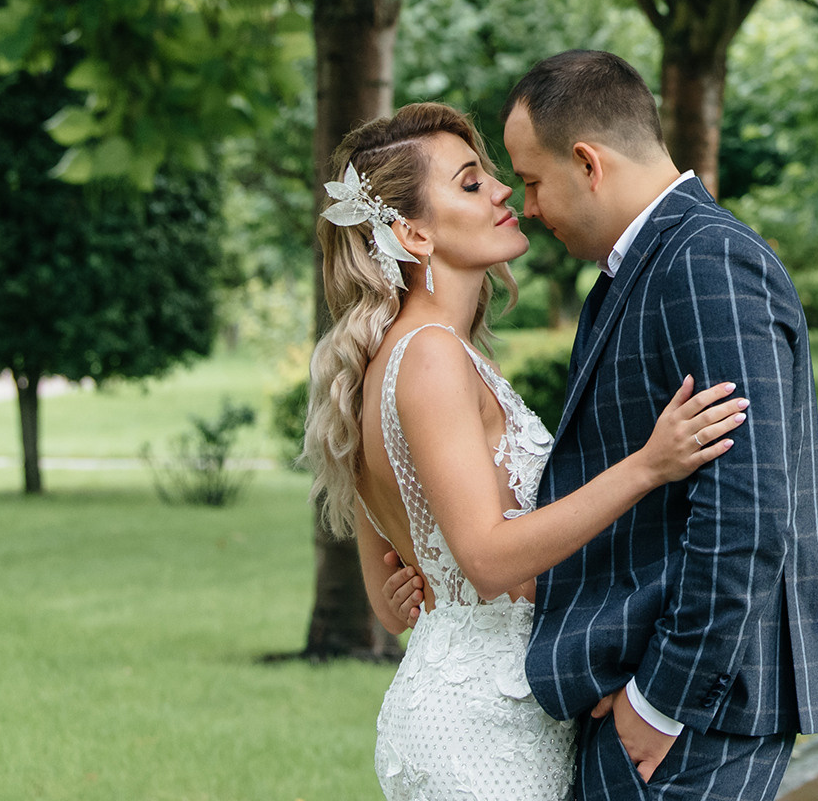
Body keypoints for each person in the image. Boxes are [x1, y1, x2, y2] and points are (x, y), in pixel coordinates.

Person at [302, 102, 750, 801]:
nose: (506, 190)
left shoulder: (387, 361)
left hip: (465, 705)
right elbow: (485, 559)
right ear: (414, 232)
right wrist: (648, 466)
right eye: (473, 182)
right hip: (487, 736)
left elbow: (394, 607)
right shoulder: (430, 360)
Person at [504, 51, 818, 801]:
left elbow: (748, 508)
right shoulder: (643, 265)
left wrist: (661, 701)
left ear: (587, 163)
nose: (527, 208)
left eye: (532, 182)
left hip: (694, 714)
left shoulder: (707, 262)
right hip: (655, 698)